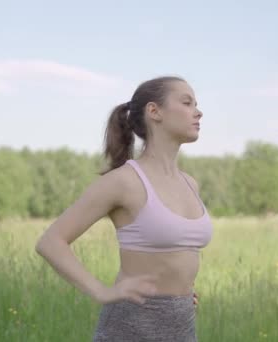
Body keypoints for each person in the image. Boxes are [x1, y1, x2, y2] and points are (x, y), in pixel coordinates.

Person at [35, 75, 213, 341]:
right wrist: (101, 291)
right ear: (154, 111)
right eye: (187, 103)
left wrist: (181, 293)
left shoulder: (190, 183)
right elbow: (51, 242)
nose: (198, 112)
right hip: (130, 328)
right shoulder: (123, 181)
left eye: (196, 104)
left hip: (182, 327)